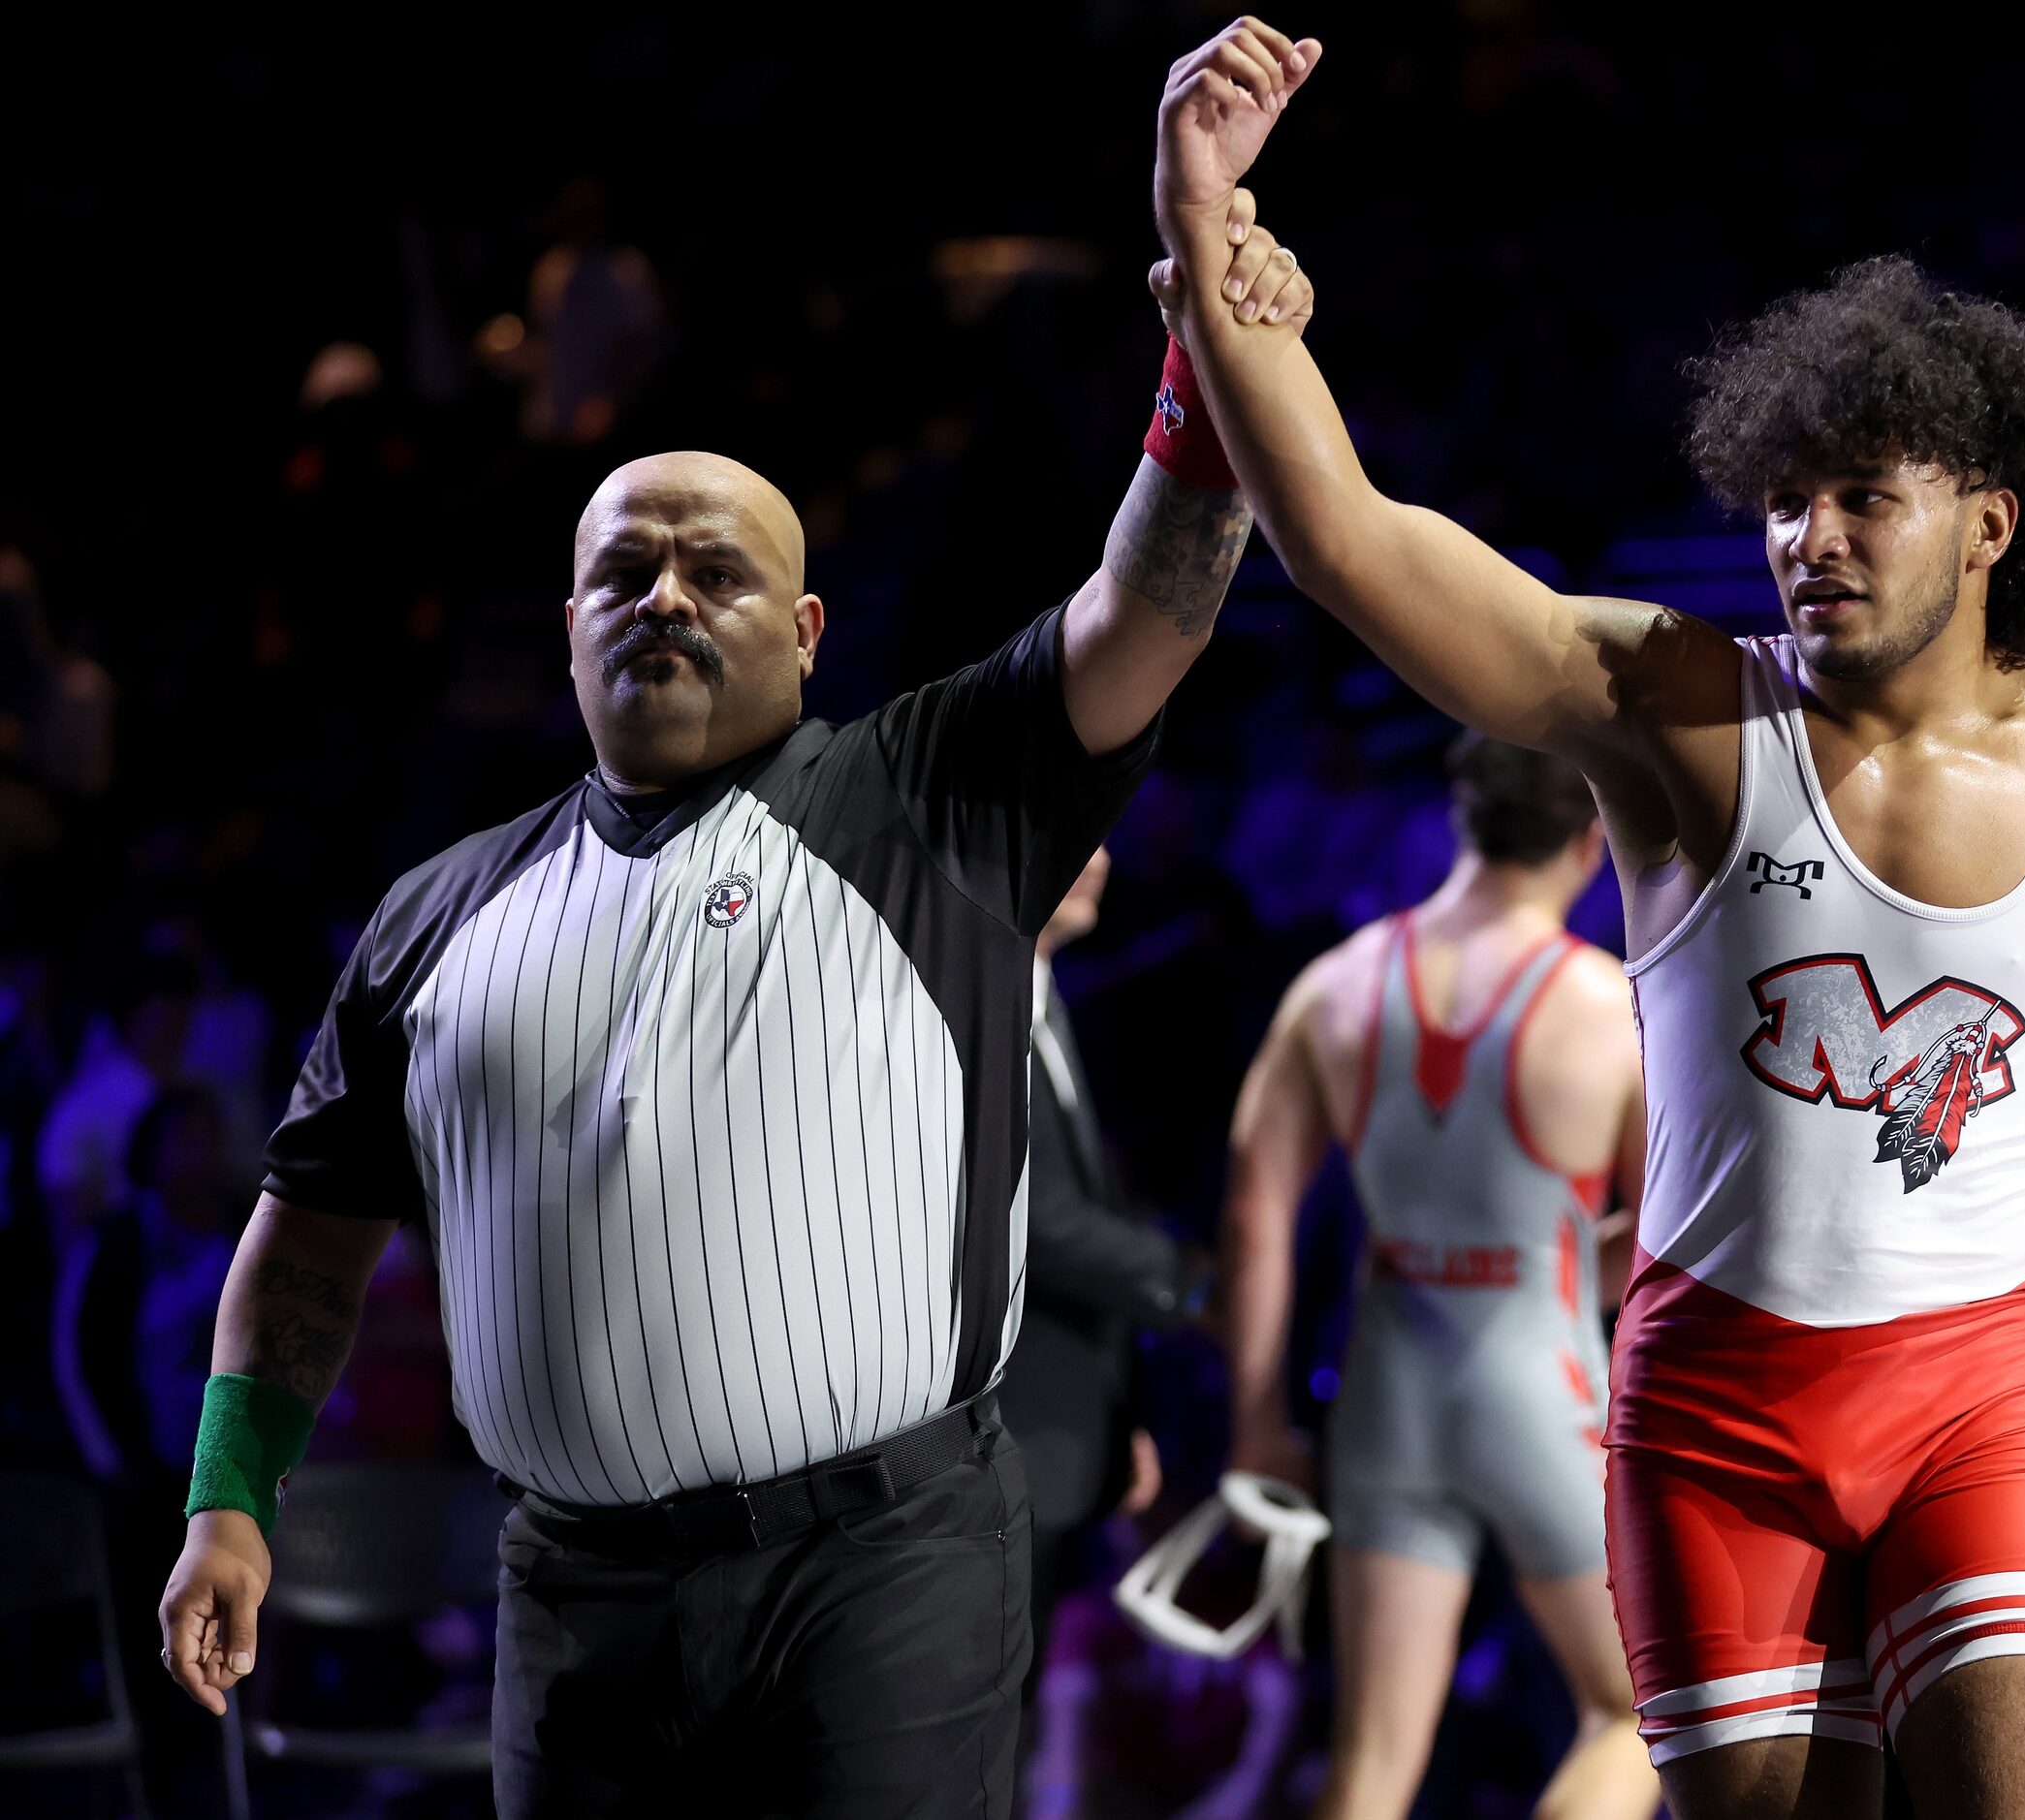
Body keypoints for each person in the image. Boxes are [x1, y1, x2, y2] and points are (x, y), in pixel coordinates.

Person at [1146, 24, 2025, 1817]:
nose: (1811, 536)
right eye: (1787, 499)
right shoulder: (1676, 712)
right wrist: (1206, 239)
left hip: (1980, 1385)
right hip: (1713, 1408)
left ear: (1986, 522)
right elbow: (1348, 544)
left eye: (1866, 494)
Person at [154, 201, 1317, 1817]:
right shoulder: (430, 922)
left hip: (886, 1565)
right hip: (574, 1591)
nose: (665, 597)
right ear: (565, 627)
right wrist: (231, 1499)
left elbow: (1153, 608)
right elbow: (306, 1242)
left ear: (806, 628)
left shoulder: (929, 798)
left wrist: (1210, 367)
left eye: (718, 569)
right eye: (619, 572)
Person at [1221, 733, 1651, 1820]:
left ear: (1459, 821)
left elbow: (1254, 1210)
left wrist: (1258, 1424)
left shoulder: (1339, 984)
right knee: (1635, 1717)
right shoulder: (1609, 1005)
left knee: (1369, 1769)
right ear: (1589, 845)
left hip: (1386, 1395)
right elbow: (1664, 1237)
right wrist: (1545, 1277)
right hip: (1541, 1388)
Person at [1004, 847, 1204, 1733]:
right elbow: (1032, 1220)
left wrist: (1118, 1413)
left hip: (1052, 1436)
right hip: (990, 1448)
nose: (1098, 856)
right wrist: (1196, 1288)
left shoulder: (1044, 994)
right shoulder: (972, 1002)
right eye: (1069, 827)